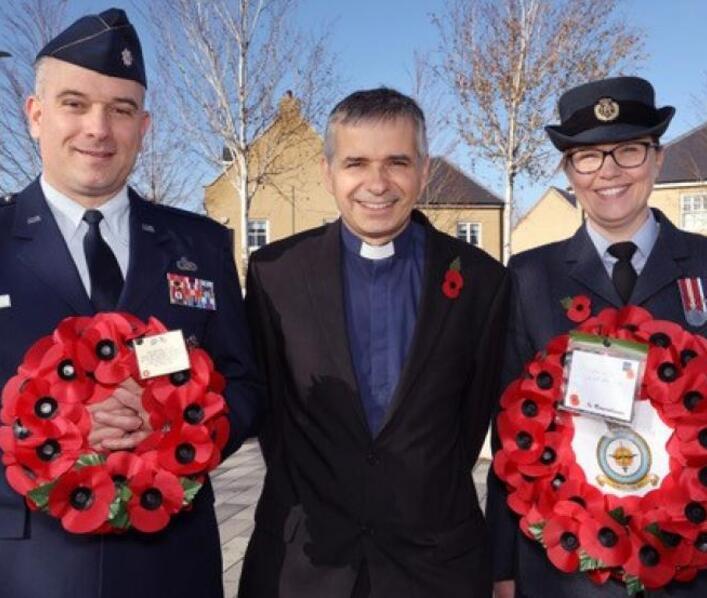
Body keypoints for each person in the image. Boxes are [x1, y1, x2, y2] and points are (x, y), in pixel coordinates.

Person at [0, 8, 262, 598]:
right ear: (35, 116)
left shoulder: (199, 245)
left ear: (144, 127)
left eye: (121, 110)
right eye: (75, 104)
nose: (99, 128)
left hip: (171, 562)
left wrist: (178, 423)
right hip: (28, 568)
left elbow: (246, 386)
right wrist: (54, 425)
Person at [238, 87, 509, 598]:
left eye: (397, 162)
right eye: (356, 162)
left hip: (436, 567)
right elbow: (272, 412)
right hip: (304, 565)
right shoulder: (276, 273)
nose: (377, 184)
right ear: (328, 172)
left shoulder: (482, 282)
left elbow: (470, 422)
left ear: (424, 170)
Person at [487, 76, 707, 598]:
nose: (608, 172)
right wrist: (502, 568)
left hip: (690, 568)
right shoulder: (528, 277)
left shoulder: (703, 263)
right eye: (587, 156)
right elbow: (508, 434)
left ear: (656, 158)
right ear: (568, 170)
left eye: (628, 150)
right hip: (564, 570)